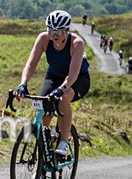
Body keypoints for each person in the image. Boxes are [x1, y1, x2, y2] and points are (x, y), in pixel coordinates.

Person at [16, 10, 90, 156]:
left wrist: (61, 89)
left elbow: (73, 75)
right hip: (54, 76)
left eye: (58, 32)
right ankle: (45, 150)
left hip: (77, 79)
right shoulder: (43, 39)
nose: (53, 36)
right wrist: (23, 84)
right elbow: (31, 64)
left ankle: (64, 141)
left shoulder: (76, 43)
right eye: (51, 31)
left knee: (63, 99)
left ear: (67, 31)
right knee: (42, 106)